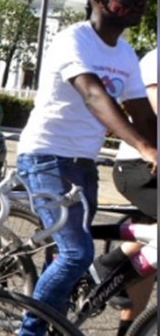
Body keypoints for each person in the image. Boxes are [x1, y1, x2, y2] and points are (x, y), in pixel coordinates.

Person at [15, 0, 157, 336]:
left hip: (83, 165)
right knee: (77, 253)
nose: (142, 4)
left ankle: (55, 321)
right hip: (45, 157)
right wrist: (144, 148)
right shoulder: (73, 40)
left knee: (68, 254)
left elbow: (143, 114)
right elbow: (95, 96)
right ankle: (30, 332)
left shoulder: (125, 54)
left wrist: (156, 144)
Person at [98, 46, 157, 336]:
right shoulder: (155, 60)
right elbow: (153, 116)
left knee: (152, 258)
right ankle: (107, 264)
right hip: (138, 164)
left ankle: (129, 331)